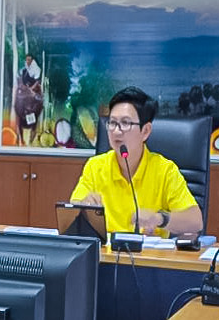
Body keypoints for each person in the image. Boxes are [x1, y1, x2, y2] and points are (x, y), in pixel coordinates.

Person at [70, 86, 203, 237]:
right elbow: (72, 212)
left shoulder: (165, 170)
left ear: (145, 131)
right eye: (112, 123)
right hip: (104, 257)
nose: (116, 131)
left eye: (125, 123)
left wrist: (159, 218)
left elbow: (195, 221)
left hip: (147, 259)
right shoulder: (95, 167)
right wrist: (83, 205)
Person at [11, 54, 44, 146]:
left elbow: (37, 82)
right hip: (25, 89)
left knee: (37, 101)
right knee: (19, 102)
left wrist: (32, 89)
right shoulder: (24, 70)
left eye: (29, 60)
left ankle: (31, 137)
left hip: (33, 89)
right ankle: (21, 138)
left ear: (32, 60)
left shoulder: (37, 70)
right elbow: (21, 80)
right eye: (27, 60)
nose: (28, 61)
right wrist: (23, 87)